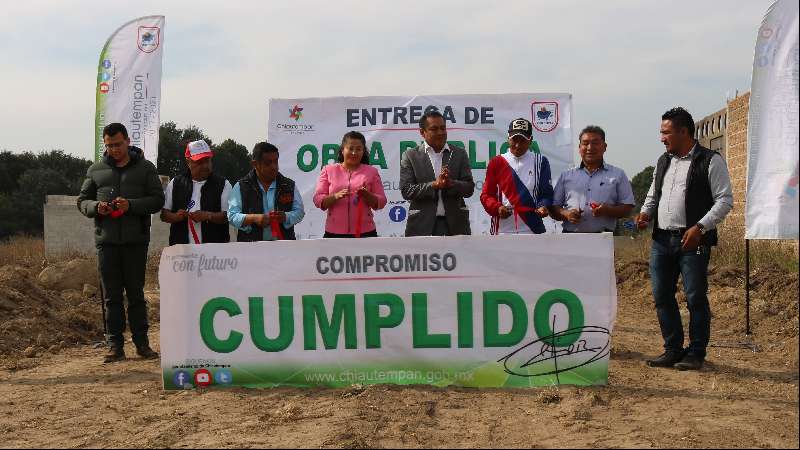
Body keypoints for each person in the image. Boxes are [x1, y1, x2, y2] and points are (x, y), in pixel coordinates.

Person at [636, 107, 733, 371]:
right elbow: (653, 195)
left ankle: (696, 352)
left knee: (695, 297)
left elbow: (725, 200)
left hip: (693, 242)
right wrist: (645, 213)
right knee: (662, 295)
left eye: (666, 132)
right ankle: (673, 349)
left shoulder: (710, 160)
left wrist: (700, 227)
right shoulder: (663, 161)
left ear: (683, 132)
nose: (661, 138)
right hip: (661, 241)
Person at [77, 123, 164, 363]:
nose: (114, 149)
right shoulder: (95, 170)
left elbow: (158, 200)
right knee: (111, 296)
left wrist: (131, 205)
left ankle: (142, 344)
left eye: (118, 144)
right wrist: (97, 207)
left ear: (127, 141)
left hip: (136, 242)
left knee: (136, 294)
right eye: (109, 145)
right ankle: (115, 346)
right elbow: (82, 201)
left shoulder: (146, 168)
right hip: (107, 243)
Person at [400, 110, 475, 236]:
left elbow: (469, 188)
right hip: (421, 227)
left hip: (456, 227)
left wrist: (451, 183)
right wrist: (435, 185)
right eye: (434, 129)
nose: (440, 132)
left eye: (443, 128)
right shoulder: (410, 156)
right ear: (422, 132)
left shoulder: (459, 153)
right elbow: (406, 190)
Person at [549, 125, 635, 233]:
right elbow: (554, 208)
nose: (590, 147)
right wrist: (567, 214)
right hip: (571, 237)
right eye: (585, 143)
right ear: (579, 148)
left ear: (605, 146)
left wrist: (607, 210)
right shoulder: (566, 176)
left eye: (595, 143)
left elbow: (627, 209)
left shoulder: (618, 174)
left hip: (604, 238)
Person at [480, 118, 553, 234]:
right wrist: (497, 208)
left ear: (531, 140)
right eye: (514, 140)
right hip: (502, 230)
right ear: (508, 138)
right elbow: (486, 195)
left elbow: (546, 194)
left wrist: (543, 206)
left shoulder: (541, 162)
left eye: (523, 140)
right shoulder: (496, 162)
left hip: (532, 229)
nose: (518, 145)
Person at [313, 131, 387, 237]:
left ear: (363, 151)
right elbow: (318, 199)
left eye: (358, 149)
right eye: (350, 148)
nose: (354, 153)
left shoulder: (372, 172)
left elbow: (382, 201)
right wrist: (335, 196)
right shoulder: (328, 170)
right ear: (343, 150)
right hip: (334, 234)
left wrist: (367, 195)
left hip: (365, 233)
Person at [228, 142, 304, 241]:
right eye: (268, 163)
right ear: (255, 164)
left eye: (276, 162)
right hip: (251, 249)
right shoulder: (241, 186)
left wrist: (286, 216)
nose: (274, 167)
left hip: (284, 249)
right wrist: (253, 218)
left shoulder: (289, 185)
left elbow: (300, 212)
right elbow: (232, 216)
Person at [160, 140, 232, 245]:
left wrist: (208, 216)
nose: (205, 166)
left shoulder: (223, 184)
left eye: (207, 161)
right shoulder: (176, 183)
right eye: (200, 162)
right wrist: (176, 217)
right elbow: (164, 214)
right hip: (183, 252)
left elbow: (229, 216)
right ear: (188, 162)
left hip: (215, 254)